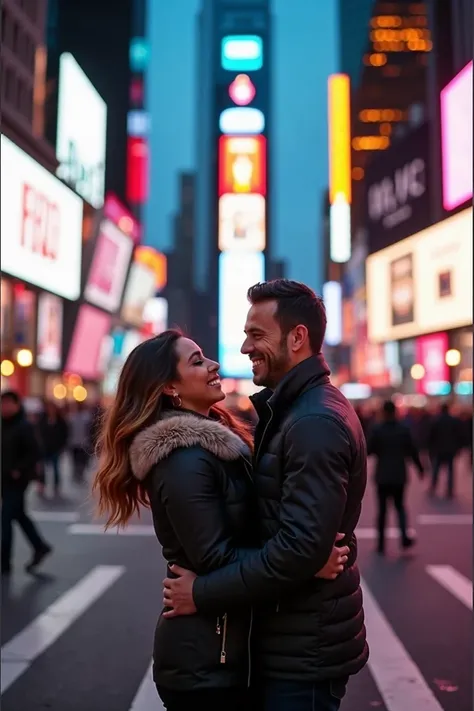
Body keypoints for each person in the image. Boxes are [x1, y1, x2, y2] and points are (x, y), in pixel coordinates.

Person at [92, 330, 347, 711]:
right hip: (205, 664)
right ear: (169, 388)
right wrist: (306, 562)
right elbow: (217, 559)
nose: (213, 365)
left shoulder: (216, 444)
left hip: (224, 650)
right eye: (196, 361)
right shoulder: (184, 461)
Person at [163, 280, 369, 711]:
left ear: (298, 338)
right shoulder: (292, 410)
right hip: (289, 640)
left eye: (257, 335)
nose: (243, 348)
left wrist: (200, 593)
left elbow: (298, 546)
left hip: (302, 653)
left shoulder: (312, 421)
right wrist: (309, 559)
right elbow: (291, 538)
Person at [1, 391, 52, 575]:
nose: (4, 407)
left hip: (17, 480)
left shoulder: (24, 426)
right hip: (3, 479)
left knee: (5, 518)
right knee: (19, 515)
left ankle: (4, 563)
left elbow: (35, 452)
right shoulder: (2, 425)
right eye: (2, 403)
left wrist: (18, 469)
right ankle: (40, 546)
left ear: (16, 405)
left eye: (8, 403)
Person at [367, 400, 424, 555]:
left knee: (382, 510)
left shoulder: (377, 429)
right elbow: (412, 450)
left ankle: (380, 544)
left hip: (382, 475)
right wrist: (420, 468)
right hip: (399, 474)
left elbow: (369, 450)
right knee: (400, 507)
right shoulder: (403, 429)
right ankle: (404, 538)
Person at [428, 403, 462, 498]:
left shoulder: (436, 420)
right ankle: (450, 489)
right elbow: (459, 435)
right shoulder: (454, 421)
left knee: (436, 469)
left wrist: (430, 448)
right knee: (450, 470)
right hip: (451, 449)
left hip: (438, 449)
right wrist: (458, 448)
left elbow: (431, 436)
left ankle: (433, 487)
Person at [37, 400, 69, 497]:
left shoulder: (60, 421)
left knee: (56, 468)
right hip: (44, 448)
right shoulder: (42, 420)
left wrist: (62, 446)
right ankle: (42, 485)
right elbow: (38, 433)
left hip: (56, 448)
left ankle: (56, 486)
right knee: (42, 469)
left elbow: (65, 434)